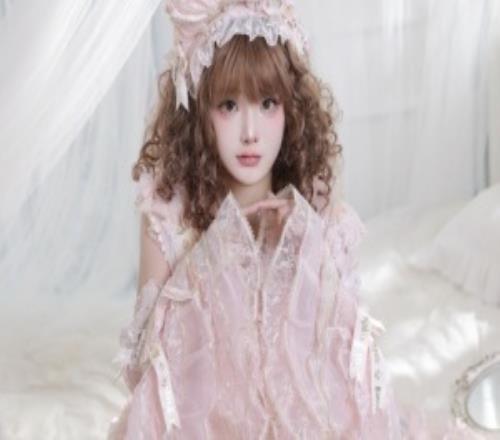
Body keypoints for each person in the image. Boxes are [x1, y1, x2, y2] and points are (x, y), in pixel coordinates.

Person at [107, 1, 484, 439]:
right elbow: (144, 372)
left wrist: (305, 244)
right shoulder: (169, 211)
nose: (250, 132)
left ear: (290, 108)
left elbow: (350, 362)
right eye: (229, 105)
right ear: (199, 111)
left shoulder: (315, 201)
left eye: (268, 103)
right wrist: (216, 252)